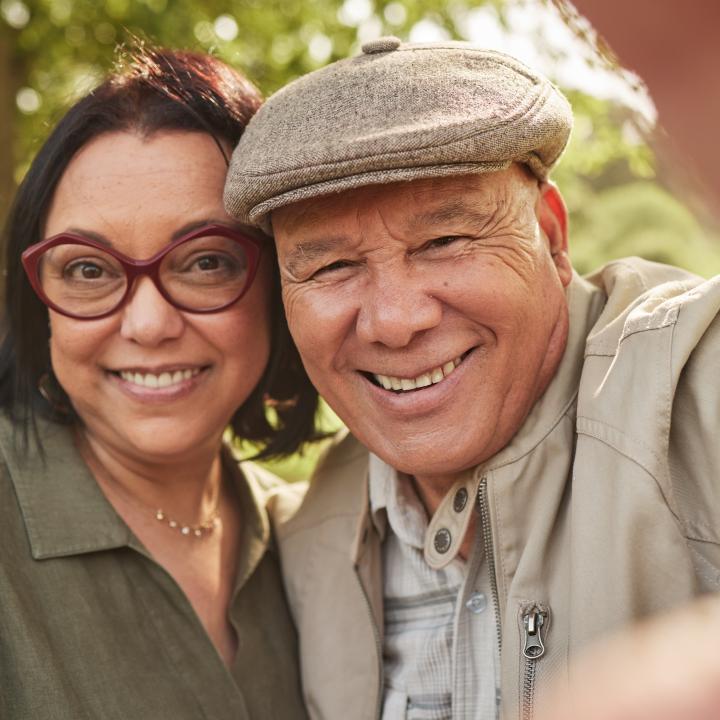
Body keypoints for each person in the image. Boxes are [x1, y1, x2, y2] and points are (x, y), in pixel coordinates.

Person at [224, 37, 720, 720]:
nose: (394, 322)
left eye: (444, 241)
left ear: (551, 236)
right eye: (331, 267)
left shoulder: (697, 386)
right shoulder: (306, 536)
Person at [0, 46, 315, 719]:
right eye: (87, 270)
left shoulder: (321, 536)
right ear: (38, 302)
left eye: (206, 262)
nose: (147, 324)